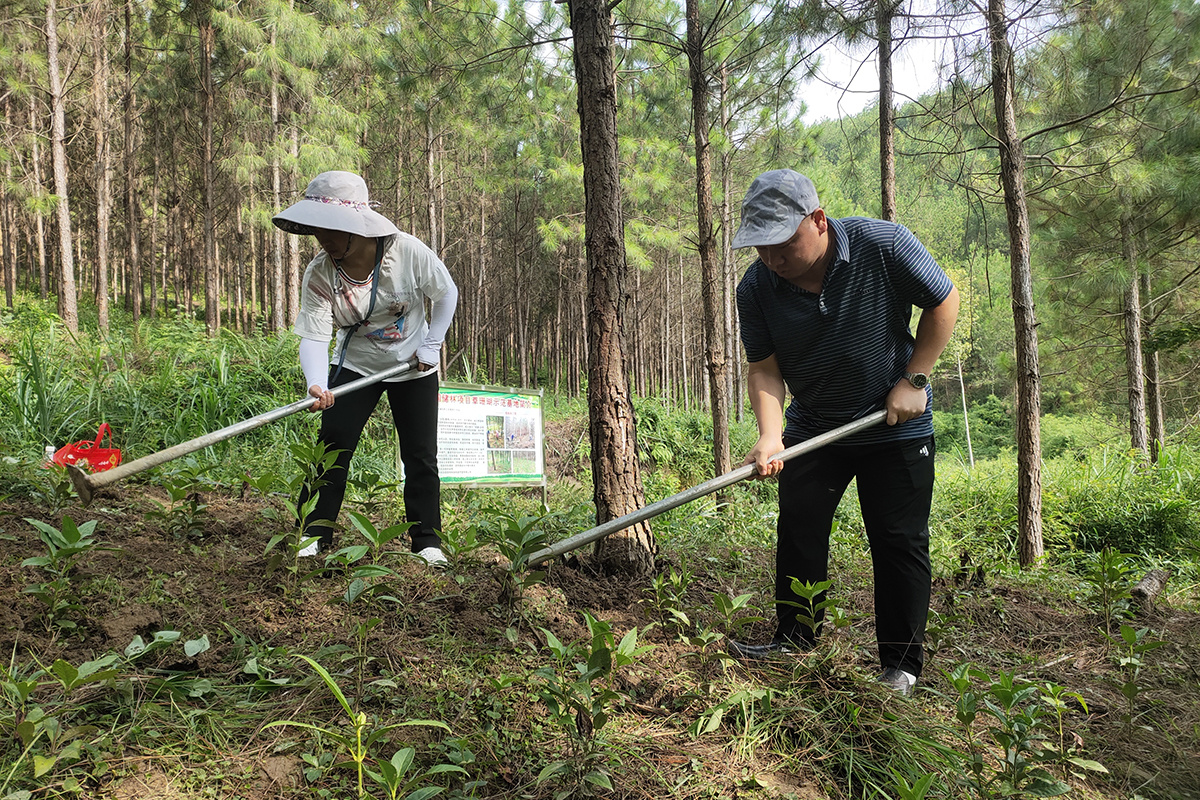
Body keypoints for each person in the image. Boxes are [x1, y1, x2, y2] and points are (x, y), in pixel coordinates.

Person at [727, 169, 959, 695]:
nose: (772, 259)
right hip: (815, 427)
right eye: (760, 248)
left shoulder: (883, 245)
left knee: (898, 542)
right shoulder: (757, 287)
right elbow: (763, 367)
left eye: (783, 245)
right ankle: (795, 640)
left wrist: (915, 377)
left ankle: (900, 667)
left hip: (893, 424)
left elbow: (943, 300)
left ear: (819, 221)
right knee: (800, 531)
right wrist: (770, 435)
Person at [272, 170, 458, 567]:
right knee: (332, 447)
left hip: (413, 365)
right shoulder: (320, 273)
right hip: (356, 364)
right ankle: (312, 533)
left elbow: (445, 294)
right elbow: (315, 334)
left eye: (331, 228)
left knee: (420, 455)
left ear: (357, 227)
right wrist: (317, 383)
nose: (323, 238)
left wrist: (431, 344)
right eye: (317, 229)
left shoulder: (407, 252)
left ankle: (427, 541)